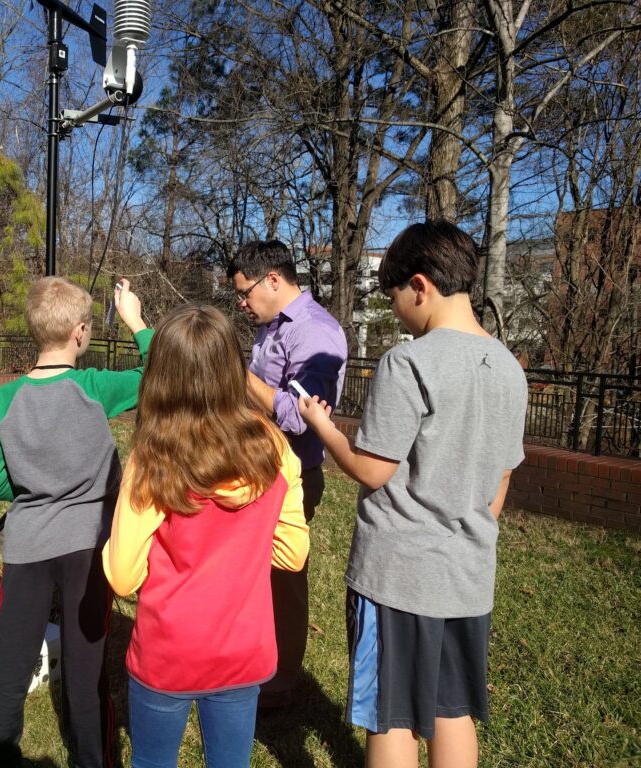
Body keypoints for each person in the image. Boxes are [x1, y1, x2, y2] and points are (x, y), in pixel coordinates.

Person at [297, 221, 528, 768]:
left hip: (397, 579)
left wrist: (323, 427)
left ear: (420, 286)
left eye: (396, 297)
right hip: (468, 574)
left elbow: (373, 470)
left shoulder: (409, 362)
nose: (398, 311)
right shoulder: (510, 367)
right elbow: (501, 481)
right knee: (453, 711)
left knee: (391, 715)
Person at [102, 304, 309, 768]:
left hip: (167, 652)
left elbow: (120, 575)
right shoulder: (274, 447)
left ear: (161, 376)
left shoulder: (151, 456)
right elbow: (292, 553)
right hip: (243, 649)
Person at [0, 276, 150, 768]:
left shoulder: (2, 401)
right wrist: (134, 320)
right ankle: (93, 759)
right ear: (80, 331)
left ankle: (1, 754)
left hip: (26, 546)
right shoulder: (95, 388)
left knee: (11, 659)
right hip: (89, 544)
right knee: (85, 661)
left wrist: (32, 484)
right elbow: (161, 369)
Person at [227, 239, 347, 706]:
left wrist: (236, 374)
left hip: (290, 476)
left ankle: (280, 680)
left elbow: (298, 416)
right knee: (255, 572)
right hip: (256, 466)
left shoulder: (314, 332)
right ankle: (255, 661)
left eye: (245, 292)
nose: (242, 302)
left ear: (273, 279)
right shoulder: (273, 326)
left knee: (283, 574)